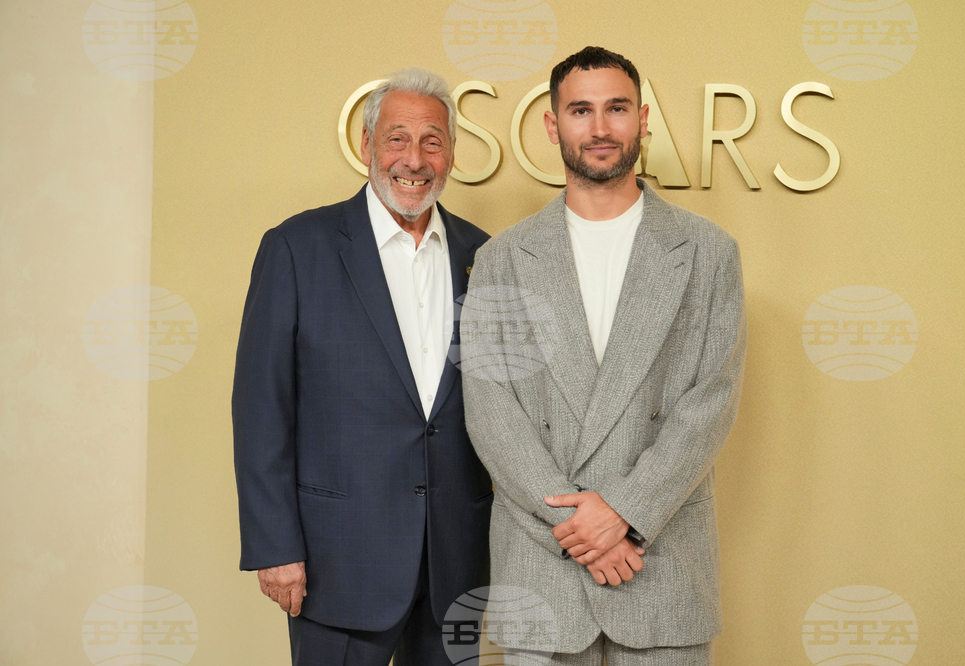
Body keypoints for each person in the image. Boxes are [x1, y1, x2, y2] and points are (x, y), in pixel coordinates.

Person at [460, 47, 747, 665]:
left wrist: (625, 511)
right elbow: (491, 411)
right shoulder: (502, 258)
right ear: (552, 124)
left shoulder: (708, 251)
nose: (599, 128)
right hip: (542, 570)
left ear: (642, 119)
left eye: (616, 109)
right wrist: (581, 529)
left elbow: (711, 402)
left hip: (659, 560)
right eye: (580, 110)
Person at [233, 68, 493, 666]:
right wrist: (275, 546)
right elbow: (261, 407)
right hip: (338, 561)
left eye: (432, 141)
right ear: (368, 145)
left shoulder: (484, 255)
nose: (414, 159)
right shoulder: (297, 247)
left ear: (452, 154)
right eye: (397, 138)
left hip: (455, 561)